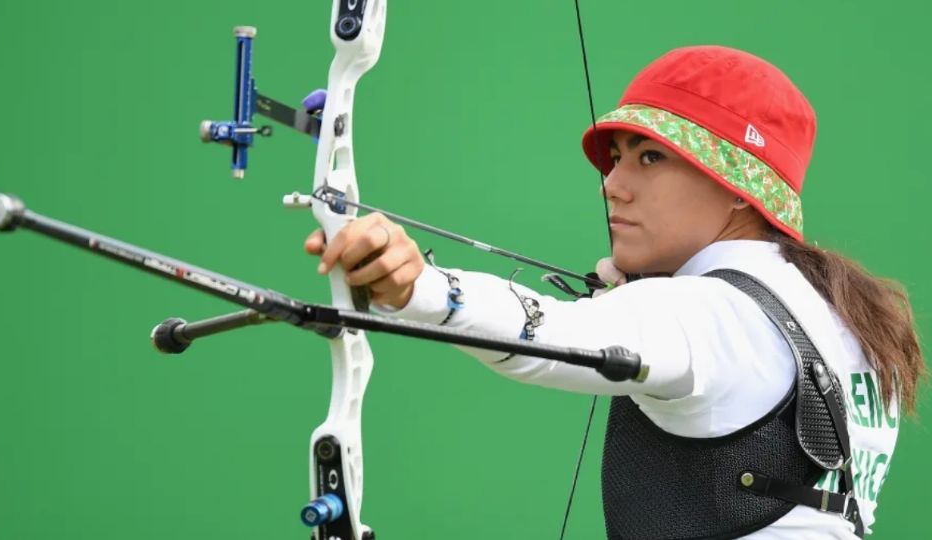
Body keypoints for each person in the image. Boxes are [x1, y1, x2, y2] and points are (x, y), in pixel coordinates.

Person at [304, 46, 924, 538]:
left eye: (649, 159)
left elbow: (554, 336)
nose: (613, 185)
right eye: (617, 158)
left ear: (742, 186)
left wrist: (420, 287)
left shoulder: (713, 310)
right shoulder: (832, 314)